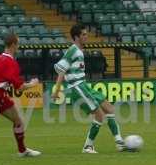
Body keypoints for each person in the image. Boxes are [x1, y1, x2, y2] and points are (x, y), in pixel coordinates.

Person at [51, 24, 126, 153]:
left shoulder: (79, 51)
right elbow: (61, 70)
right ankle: (88, 146)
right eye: (84, 35)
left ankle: (120, 143)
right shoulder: (73, 50)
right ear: (76, 37)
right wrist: (56, 91)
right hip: (77, 87)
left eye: (86, 34)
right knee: (100, 116)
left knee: (109, 108)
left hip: (84, 85)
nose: (86, 36)